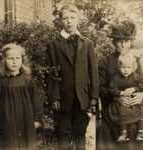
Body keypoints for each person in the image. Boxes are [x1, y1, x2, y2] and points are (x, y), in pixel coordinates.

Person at [97, 21, 143, 150]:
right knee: (109, 127)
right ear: (113, 42)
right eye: (119, 40)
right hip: (114, 105)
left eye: (126, 41)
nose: (123, 44)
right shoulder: (106, 62)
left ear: (130, 42)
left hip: (136, 104)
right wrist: (117, 97)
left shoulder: (135, 60)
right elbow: (101, 87)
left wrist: (141, 94)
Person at [46, 4, 99, 150]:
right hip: (63, 96)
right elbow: (50, 73)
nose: (69, 21)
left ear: (78, 19)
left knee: (80, 131)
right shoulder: (53, 44)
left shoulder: (87, 43)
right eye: (65, 18)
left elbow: (93, 71)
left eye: (72, 18)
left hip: (82, 96)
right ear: (60, 21)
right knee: (63, 131)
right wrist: (54, 96)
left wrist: (94, 95)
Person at [0, 43, 43, 149]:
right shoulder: (0, 83)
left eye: (17, 58)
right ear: (3, 61)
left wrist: (37, 119)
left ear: (22, 60)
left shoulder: (28, 80)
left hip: (26, 119)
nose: (14, 62)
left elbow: (36, 101)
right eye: (10, 58)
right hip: (8, 122)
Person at [108, 54, 143, 142]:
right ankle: (123, 133)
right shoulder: (116, 78)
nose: (126, 70)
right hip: (123, 101)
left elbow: (142, 86)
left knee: (141, 110)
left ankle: (141, 132)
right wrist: (121, 93)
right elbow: (111, 89)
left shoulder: (136, 76)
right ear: (119, 67)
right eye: (123, 67)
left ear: (133, 68)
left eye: (129, 67)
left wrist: (134, 89)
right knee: (122, 111)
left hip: (136, 100)